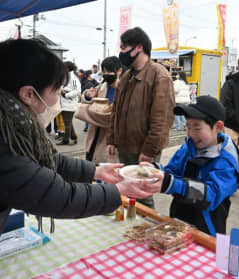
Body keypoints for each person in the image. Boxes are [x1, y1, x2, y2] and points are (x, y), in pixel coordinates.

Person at [0, 39, 155, 235]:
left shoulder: (12, 126)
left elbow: (45, 161)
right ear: (29, 94)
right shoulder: (6, 138)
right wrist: (119, 191)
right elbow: (59, 196)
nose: (57, 99)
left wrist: (96, 171)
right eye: (56, 91)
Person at [139, 96, 239, 236]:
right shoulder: (189, 147)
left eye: (197, 127)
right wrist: (155, 170)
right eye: (188, 127)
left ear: (218, 127)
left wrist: (173, 185)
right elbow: (173, 171)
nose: (190, 133)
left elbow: (211, 194)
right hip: (179, 219)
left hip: (206, 227)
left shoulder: (227, 161)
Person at [107, 27, 175, 209]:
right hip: (125, 146)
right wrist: (112, 139)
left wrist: (150, 150)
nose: (121, 53)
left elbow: (162, 118)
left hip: (143, 149)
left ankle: (144, 233)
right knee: (126, 191)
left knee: (142, 194)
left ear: (138, 48)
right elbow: (116, 111)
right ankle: (129, 229)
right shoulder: (127, 76)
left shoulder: (159, 76)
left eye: (123, 47)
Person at [83, 56, 127, 163]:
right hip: (95, 135)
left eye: (109, 71)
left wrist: (94, 113)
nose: (106, 74)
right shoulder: (101, 87)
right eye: (104, 71)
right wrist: (88, 96)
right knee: (93, 165)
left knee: (109, 167)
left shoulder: (125, 91)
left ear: (119, 71)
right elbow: (85, 103)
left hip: (111, 138)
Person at [57, 61, 80, 146]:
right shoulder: (67, 77)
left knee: (67, 123)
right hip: (65, 103)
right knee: (69, 122)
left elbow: (77, 91)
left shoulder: (73, 78)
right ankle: (74, 138)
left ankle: (66, 140)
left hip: (69, 104)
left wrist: (66, 94)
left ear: (67, 68)